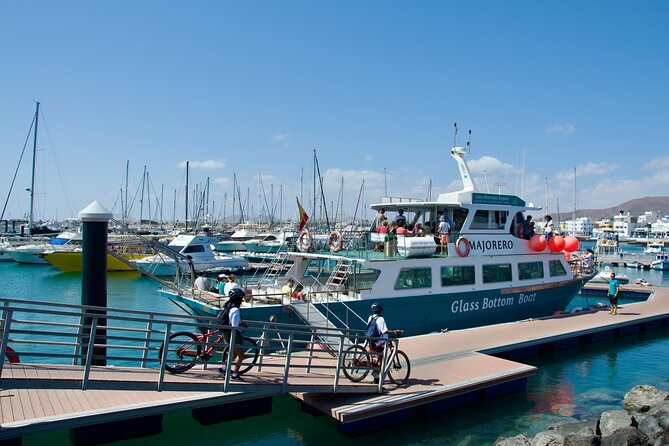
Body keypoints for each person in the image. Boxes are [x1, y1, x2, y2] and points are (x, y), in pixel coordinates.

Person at [365, 302, 402, 383]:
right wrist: (395, 331)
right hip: (379, 342)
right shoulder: (381, 319)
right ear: (381, 310)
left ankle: (376, 377)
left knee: (376, 359)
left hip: (371, 340)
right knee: (381, 360)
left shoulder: (370, 317)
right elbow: (385, 331)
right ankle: (376, 379)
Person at [218, 288, 248, 381]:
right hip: (233, 334)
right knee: (241, 355)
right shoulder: (235, 310)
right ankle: (235, 375)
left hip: (225, 332)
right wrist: (242, 325)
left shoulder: (227, 306)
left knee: (234, 353)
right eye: (241, 298)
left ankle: (224, 368)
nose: (242, 300)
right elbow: (235, 325)